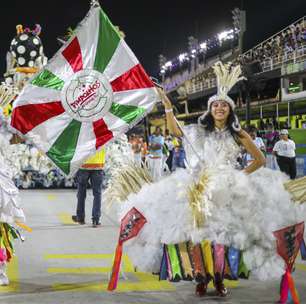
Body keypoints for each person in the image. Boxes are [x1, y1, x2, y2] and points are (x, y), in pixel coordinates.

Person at [114, 62, 304, 299]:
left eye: (224, 104)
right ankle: (201, 278)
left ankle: (218, 279)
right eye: (215, 105)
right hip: (196, 191)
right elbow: (175, 131)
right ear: (210, 109)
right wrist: (167, 105)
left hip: (226, 193)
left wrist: (238, 176)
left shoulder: (239, 134)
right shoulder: (197, 130)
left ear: (230, 109)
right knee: (197, 236)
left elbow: (259, 160)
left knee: (221, 238)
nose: (220, 108)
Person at [72, 148, 105, 227]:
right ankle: (96, 219)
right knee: (97, 194)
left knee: (81, 193)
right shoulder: (103, 134)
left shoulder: (83, 135)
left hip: (84, 165)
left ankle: (80, 218)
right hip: (98, 165)